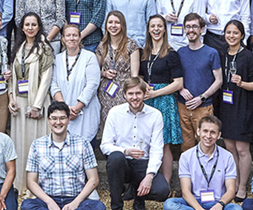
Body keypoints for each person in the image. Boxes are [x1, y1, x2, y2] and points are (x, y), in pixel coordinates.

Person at [20, 103, 108, 210]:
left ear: (68, 119)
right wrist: (49, 202)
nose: (58, 122)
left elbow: (94, 179)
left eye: (62, 118)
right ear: (48, 120)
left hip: (75, 198)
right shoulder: (37, 145)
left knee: (99, 208)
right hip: (48, 199)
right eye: (54, 118)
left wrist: (76, 202)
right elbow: (31, 182)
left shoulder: (82, 144)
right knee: (27, 205)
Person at [101, 78, 169, 210]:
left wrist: (149, 176)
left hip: (143, 163)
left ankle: (138, 195)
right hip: (122, 163)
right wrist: (125, 151)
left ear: (144, 94)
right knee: (115, 157)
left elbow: (157, 148)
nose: (134, 97)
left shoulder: (155, 115)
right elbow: (105, 145)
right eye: (130, 93)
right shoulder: (115, 113)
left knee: (162, 191)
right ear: (124, 95)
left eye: (138, 93)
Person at [161, 116, 246, 210]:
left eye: (213, 132)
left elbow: (231, 190)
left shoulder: (227, 157)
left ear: (219, 135)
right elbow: (185, 191)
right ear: (198, 131)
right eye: (205, 131)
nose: (208, 136)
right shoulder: (186, 156)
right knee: (169, 205)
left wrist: (220, 204)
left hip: (218, 203)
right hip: (194, 202)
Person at [215, 19, 253, 186]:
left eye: (235, 33)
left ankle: (242, 186)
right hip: (225, 108)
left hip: (243, 107)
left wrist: (242, 83)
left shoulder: (248, 57)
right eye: (228, 32)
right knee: (230, 148)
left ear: (242, 35)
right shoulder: (221, 55)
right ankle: (232, 185)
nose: (231, 36)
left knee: (242, 149)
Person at [140, 15, 187, 171]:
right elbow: (139, 76)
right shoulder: (144, 53)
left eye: (159, 26)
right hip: (147, 98)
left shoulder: (171, 53)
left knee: (164, 144)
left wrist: (156, 93)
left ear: (164, 29)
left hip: (164, 100)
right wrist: (145, 86)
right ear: (148, 29)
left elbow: (178, 83)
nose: (156, 29)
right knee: (146, 142)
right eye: (153, 26)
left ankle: (165, 182)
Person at [172, 14, 224, 151]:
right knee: (186, 146)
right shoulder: (180, 52)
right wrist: (180, 89)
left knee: (206, 144)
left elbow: (219, 80)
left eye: (195, 26)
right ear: (184, 29)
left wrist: (202, 97)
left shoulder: (211, 53)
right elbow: (175, 77)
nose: (191, 30)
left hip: (203, 106)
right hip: (183, 105)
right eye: (188, 27)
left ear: (202, 29)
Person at [10, 13, 57, 156]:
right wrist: (11, 99)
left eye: (34, 25)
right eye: (27, 25)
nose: (30, 28)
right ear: (22, 28)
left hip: (38, 102)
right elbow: (13, 76)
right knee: (20, 145)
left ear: (39, 27)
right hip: (19, 103)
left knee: (36, 142)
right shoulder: (18, 48)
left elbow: (46, 79)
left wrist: (36, 106)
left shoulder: (45, 49)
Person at [50, 22, 103, 148]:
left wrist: (77, 107)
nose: (71, 38)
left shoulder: (89, 57)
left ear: (80, 38)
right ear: (63, 39)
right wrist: (65, 108)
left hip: (85, 112)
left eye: (75, 35)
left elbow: (92, 84)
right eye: (68, 35)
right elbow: (53, 85)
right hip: (63, 113)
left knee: (86, 150)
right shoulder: (57, 59)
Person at [93, 11, 140, 123]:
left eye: (117, 23)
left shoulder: (131, 45)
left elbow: (134, 75)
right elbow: (95, 71)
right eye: (110, 22)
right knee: (107, 123)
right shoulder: (102, 46)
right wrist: (104, 73)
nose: (113, 26)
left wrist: (131, 93)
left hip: (125, 90)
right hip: (106, 91)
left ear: (122, 25)